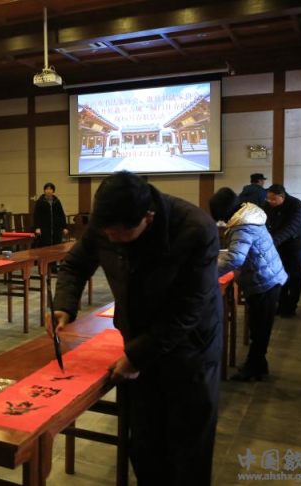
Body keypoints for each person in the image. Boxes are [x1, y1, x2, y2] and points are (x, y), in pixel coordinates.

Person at [46, 171, 222, 486]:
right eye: (107, 234)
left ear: (148, 217)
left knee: (187, 452)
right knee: (144, 446)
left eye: (120, 235)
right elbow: (75, 264)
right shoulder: (106, 224)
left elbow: (187, 311)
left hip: (190, 350)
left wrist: (137, 356)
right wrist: (64, 306)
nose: (111, 240)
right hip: (137, 344)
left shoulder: (195, 228)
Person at [210, 188, 286, 381]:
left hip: (264, 280)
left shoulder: (242, 226)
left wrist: (208, 273)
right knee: (260, 327)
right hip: (268, 277)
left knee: (260, 329)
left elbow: (235, 258)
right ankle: (258, 365)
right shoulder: (248, 216)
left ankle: (254, 369)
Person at [264, 184, 301, 318]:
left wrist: (272, 242)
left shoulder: (296, 204)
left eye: (273, 199)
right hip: (279, 245)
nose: (271, 202)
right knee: (279, 275)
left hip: (296, 245)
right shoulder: (267, 205)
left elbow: (291, 227)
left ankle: (291, 307)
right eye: (268, 199)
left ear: (282, 197)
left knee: (295, 276)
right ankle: (281, 304)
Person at [33, 182, 68, 247]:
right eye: (47, 189)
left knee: (57, 246)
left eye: (50, 189)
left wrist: (64, 227)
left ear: (53, 191)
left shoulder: (56, 201)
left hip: (56, 228)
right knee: (45, 246)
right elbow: (36, 215)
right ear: (44, 190)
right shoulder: (40, 201)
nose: (48, 191)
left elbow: (61, 214)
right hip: (44, 228)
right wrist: (37, 227)